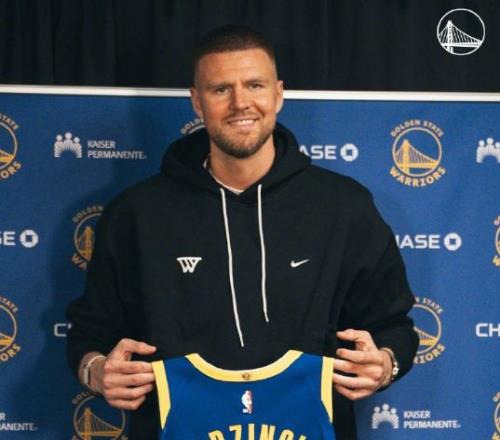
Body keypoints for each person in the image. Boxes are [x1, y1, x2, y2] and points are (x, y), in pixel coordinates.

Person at [66, 25, 418, 439]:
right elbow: (90, 332)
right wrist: (96, 370)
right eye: (221, 89)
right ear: (196, 101)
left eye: (254, 85)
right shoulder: (137, 213)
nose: (240, 103)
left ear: (278, 94)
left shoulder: (344, 206)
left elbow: (393, 325)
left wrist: (386, 364)